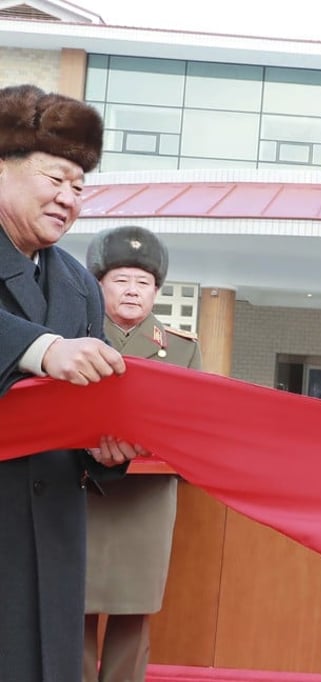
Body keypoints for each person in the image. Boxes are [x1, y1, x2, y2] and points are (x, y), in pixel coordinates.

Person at [0, 83, 145, 681]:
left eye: (79, 188)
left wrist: (107, 446)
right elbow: (55, 357)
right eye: (53, 179)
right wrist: (41, 349)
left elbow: (100, 392)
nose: (68, 198)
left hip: (52, 524)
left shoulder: (80, 284)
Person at [82, 225, 203, 682]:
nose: (132, 291)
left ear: (156, 291)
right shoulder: (74, 341)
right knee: (76, 604)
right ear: (99, 284)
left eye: (143, 283)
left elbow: (193, 426)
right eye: (120, 280)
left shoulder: (183, 350)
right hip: (81, 487)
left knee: (135, 609)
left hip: (147, 497)